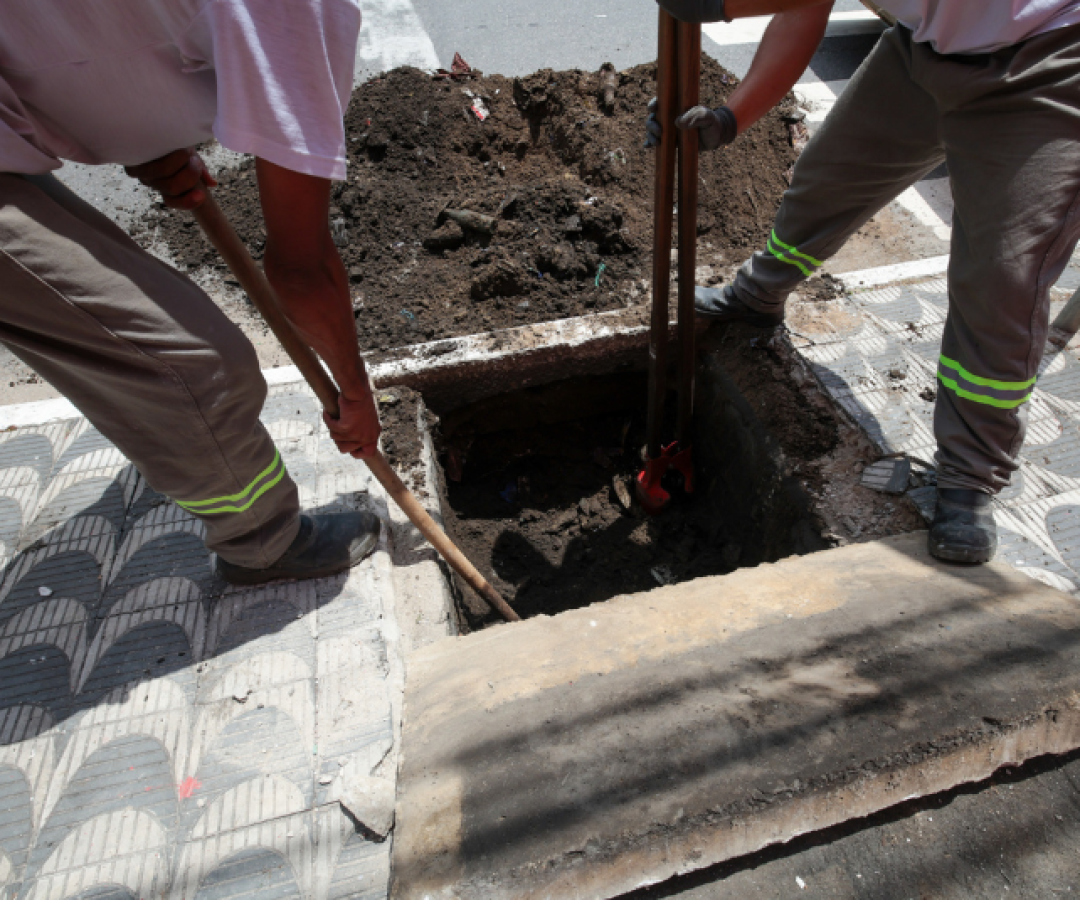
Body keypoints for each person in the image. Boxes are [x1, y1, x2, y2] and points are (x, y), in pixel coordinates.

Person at [650, 0, 1080, 564]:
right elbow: (800, 8)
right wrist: (731, 116)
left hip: (1049, 58)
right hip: (922, 47)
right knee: (828, 179)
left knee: (1001, 276)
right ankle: (758, 295)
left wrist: (719, 6)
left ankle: (969, 476)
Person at [0, 0, 384, 585]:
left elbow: (92, 52)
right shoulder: (296, 13)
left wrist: (149, 140)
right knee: (199, 366)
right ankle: (262, 542)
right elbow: (300, 271)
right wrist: (355, 393)